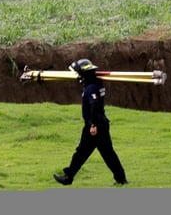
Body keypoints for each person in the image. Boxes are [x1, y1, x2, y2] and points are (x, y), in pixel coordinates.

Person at [53, 58, 128, 187]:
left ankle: (68, 177)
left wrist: (93, 125)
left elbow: (95, 106)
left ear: (84, 74)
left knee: (81, 153)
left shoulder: (91, 88)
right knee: (108, 154)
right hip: (101, 124)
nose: (78, 77)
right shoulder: (97, 84)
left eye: (79, 74)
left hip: (95, 126)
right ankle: (121, 179)